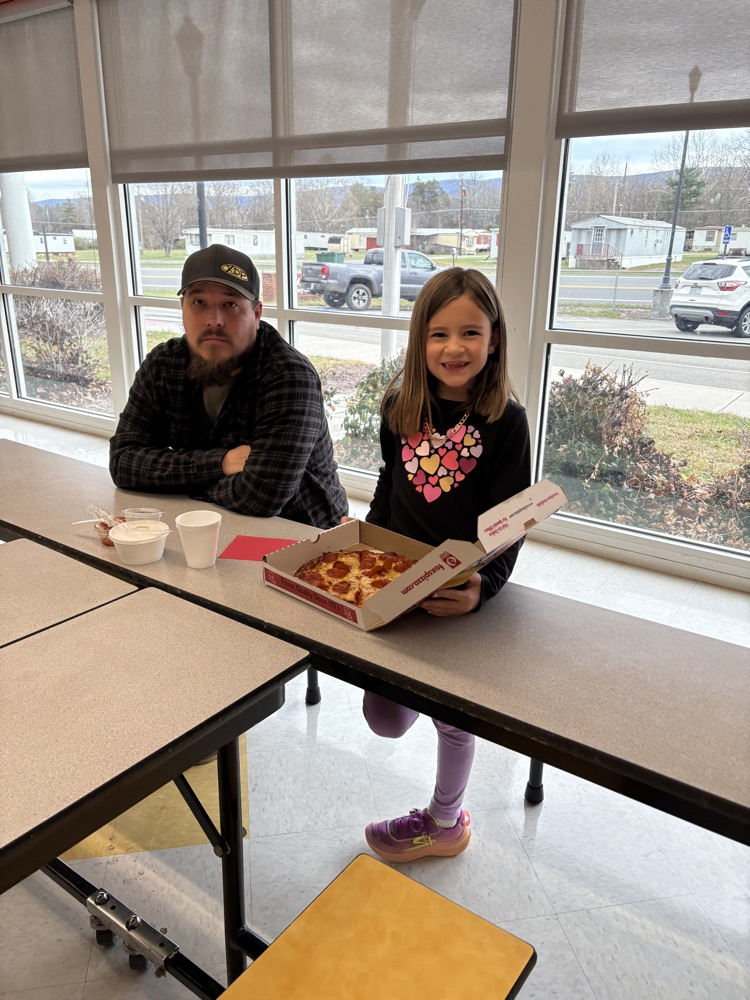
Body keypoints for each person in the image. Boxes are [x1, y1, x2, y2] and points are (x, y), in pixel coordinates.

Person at [362, 267, 531, 862]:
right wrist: (367, 548)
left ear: (493, 340)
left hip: (461, 592)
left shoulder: (506, 421)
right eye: (438, 334)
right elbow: (389, 488)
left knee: (453, 715)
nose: (454, 348)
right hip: (398, 585)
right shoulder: (398, 406)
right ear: (419, 340)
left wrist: (484, 587)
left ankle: (446, 819)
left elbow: (513, 525)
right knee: (384, 717)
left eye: (469, 333)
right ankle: (424, 709)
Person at [110, 244, 347, 529]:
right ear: (182, 309)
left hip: (301, 536)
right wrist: (220, 463)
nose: (214, 320)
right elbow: (123, 462)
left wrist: (178, 481)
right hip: (204, 526)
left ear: (257, 313)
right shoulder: (163, 364)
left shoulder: (290, 376)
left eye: (230, 304)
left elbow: (262, 497)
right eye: (199, 303)